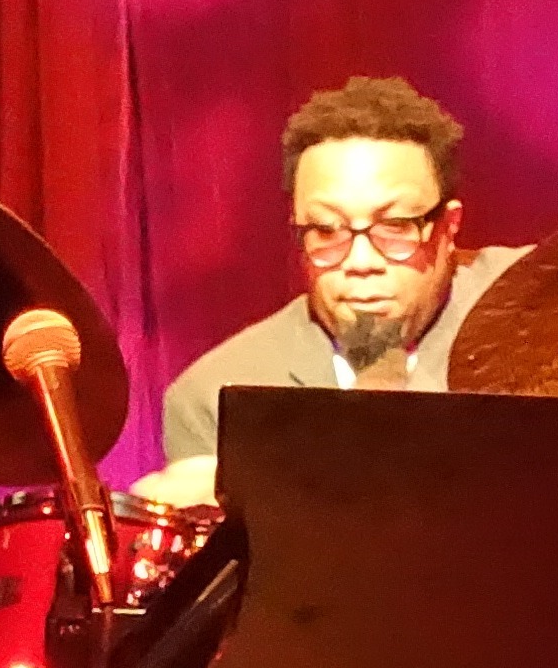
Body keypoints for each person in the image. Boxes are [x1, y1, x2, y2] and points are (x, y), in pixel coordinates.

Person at [132, 77, 525, 508]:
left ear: (448, 228)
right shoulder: (215, 395)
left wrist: (272, 480)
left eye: (395, 226)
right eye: (325, 230)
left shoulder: (536, 309)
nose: (361, 260)